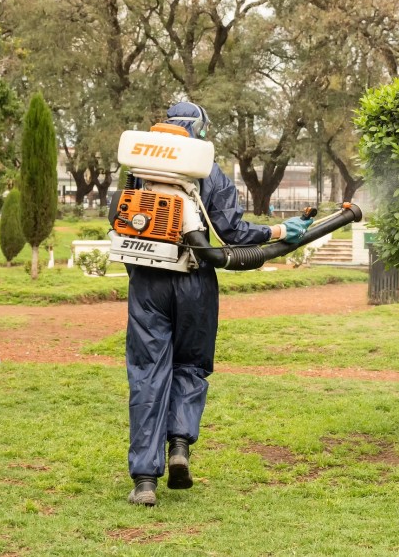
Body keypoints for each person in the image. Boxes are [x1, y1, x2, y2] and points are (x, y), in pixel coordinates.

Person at [124, 101, 313, 506]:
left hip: (147, 283)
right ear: (200, 129)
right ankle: (178, 446)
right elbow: (232, 232)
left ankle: (144, 481)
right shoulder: (206, 168)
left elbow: (117, 218)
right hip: (194, 278)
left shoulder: (138, 167)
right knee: (190, 365)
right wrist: (281, 229)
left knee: (147, 373)